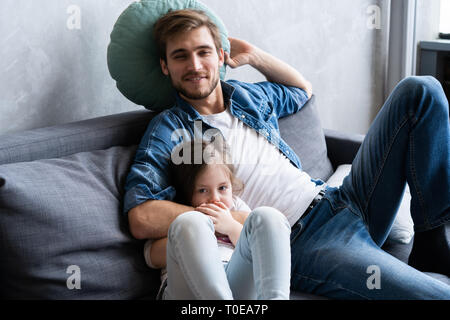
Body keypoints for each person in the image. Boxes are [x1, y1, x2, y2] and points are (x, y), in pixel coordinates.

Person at [123, 9, 450, 299]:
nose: (194, 65)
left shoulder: (248, 96)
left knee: (420, 90)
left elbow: (302, 91)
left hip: (340, 199)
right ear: (165, 66)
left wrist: (254, 56)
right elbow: (142, 217)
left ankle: (431, 237)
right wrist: (234, 221)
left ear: (221, 56)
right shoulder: (169, 129)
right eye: (180, 56)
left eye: (203, 52)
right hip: (305, 242)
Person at [143, 140, 291, 299]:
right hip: (187, 287)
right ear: (186, 194)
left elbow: (257, 248)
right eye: (202, 190)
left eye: (222, 188)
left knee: (268, 216)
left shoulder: (235, 207)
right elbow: (151, 257)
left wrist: (230, 226)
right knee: (191, 222)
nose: (215, 198)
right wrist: (202, 234)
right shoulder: (177, 214)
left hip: (236, 280)